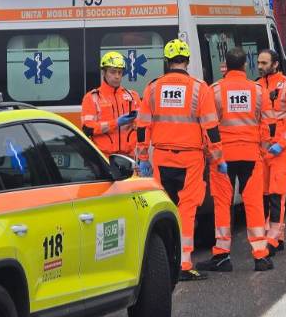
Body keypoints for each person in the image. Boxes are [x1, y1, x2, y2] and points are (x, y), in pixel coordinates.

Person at [136, 39, 227, 281]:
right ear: (187, 61)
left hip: (162, 157)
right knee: (186, 209)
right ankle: (184, 264)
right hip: (191, 159)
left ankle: (164, 260)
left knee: (163, 208)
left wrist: (143, 156)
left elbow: (142, 125)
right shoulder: (200, 88)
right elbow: (211, 127)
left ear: (167, 62)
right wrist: (217, 158)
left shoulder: (153, 88)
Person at [196, 48, 274, 273]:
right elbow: (267, 125)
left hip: (223, 158)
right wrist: (263, 150)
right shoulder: (258, 91)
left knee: (222, 204)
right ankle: (260, 256)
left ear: (226, 66)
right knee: (254, 204)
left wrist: (211, 154)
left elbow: (209, 126)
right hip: (251, 156)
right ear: (244, 67)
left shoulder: (215, 91)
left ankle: (222, 256)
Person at [257, 50, 286, 256]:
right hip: (262, 148)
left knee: (276, 194)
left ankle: (273, 239)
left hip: (280, 149)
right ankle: (277, 236)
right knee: (264, 194)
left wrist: (282, 143)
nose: (260, 66)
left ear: (275, 64)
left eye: (264, 62)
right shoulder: (256, 86)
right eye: (259, 62)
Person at [81, 52, 141, 158]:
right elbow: (87, 128)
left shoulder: (133, 97)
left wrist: (142, 156)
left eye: (120, 72)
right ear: (104, 72)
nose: (117, 76)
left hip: (130, 157)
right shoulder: (92, 97)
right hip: (104, 158)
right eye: (113, 72)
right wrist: (115, 123)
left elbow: (142, 127)